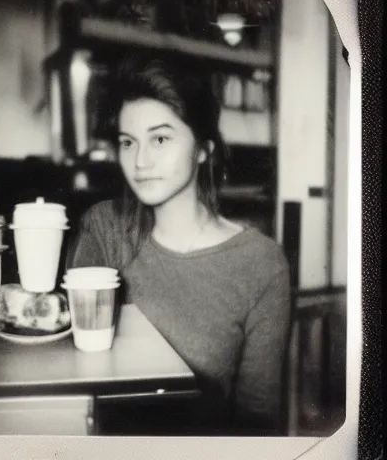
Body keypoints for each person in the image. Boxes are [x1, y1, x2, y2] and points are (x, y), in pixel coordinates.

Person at [67, 55, 292, 436]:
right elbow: (68, 370)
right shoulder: (104, 228)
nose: (140, 160)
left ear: (203, 150)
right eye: (128, 142)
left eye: (160, 138)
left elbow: (257, 421)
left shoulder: (262, 265)